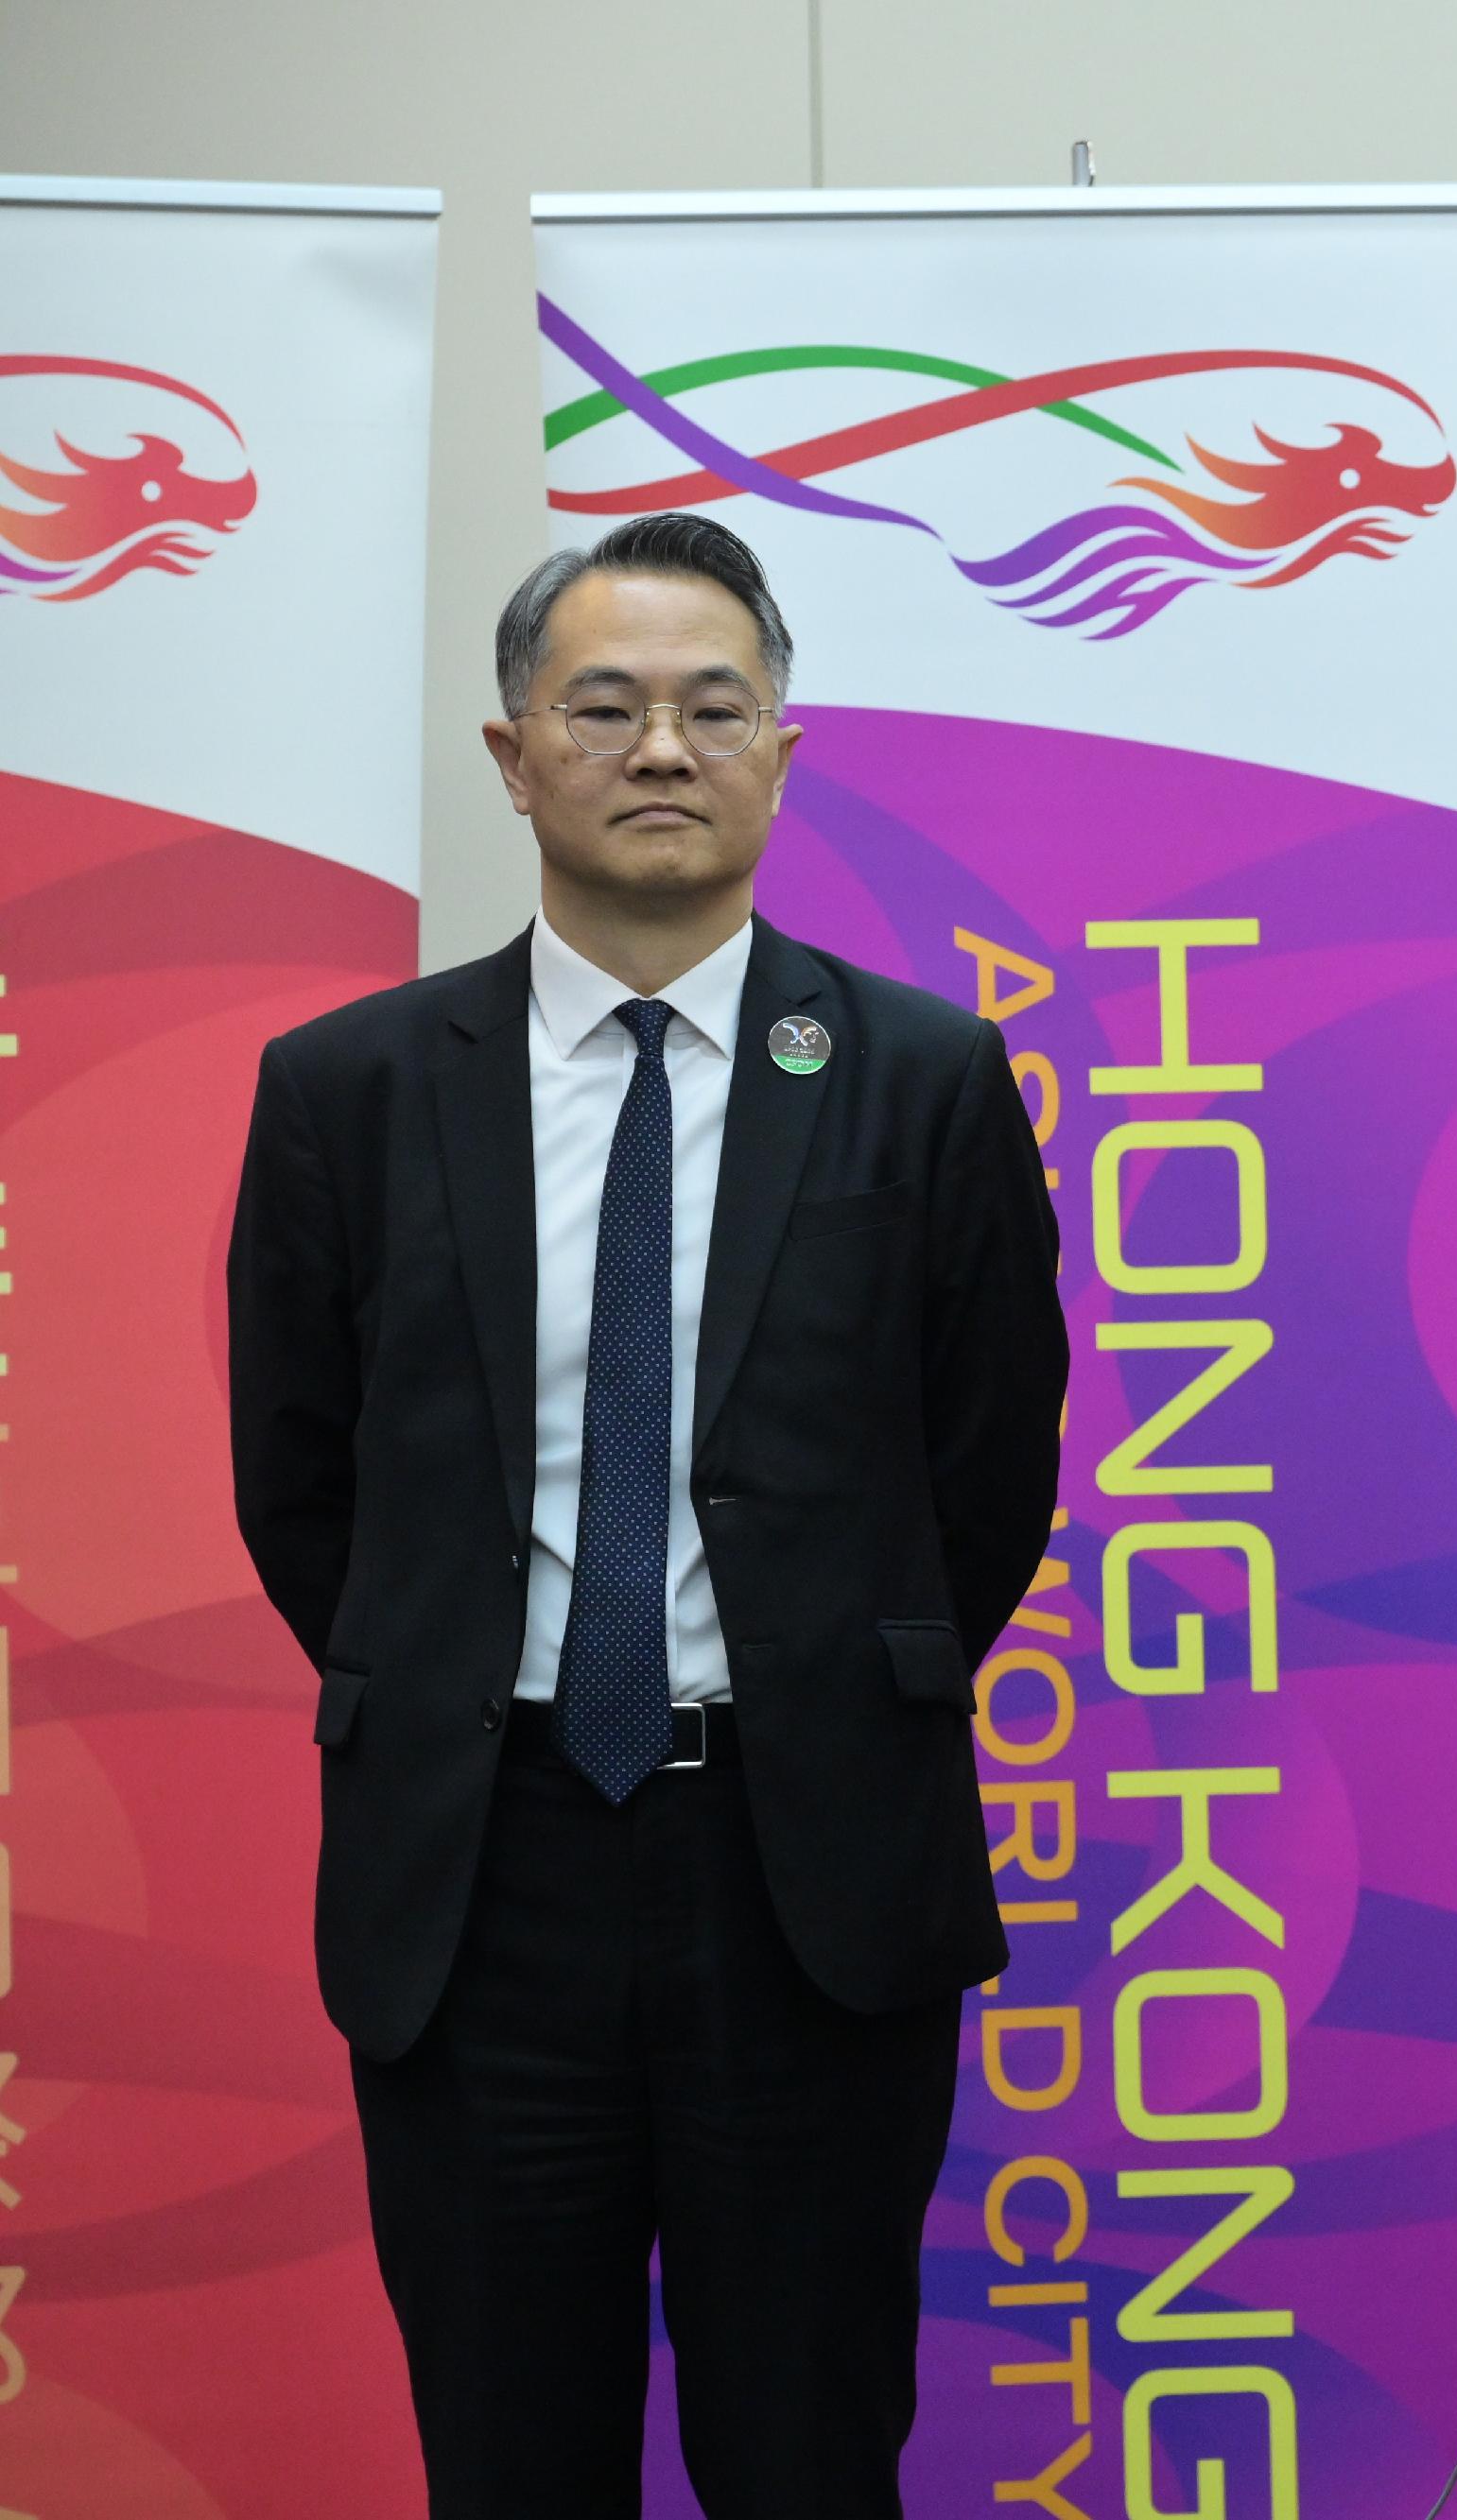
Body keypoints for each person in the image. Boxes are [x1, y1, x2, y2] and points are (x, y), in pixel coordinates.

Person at [226, 512, 1067, 2516]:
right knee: (511, 2456)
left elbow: (985, 1475)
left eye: (715, 707)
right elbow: (304, 1482)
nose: (664, 749)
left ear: (787, 749)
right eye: (605, 707)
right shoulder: (349, 1086)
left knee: (807, 2448)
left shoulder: (922, 1078)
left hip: (807, 1879)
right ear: (516, 758)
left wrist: (815, 1686)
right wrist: (451, 1690)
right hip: (479, 1872)